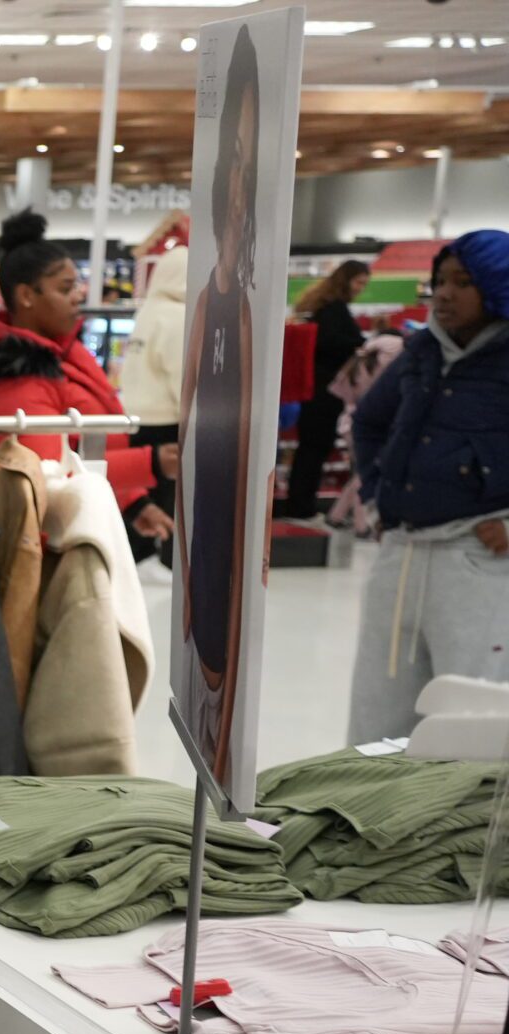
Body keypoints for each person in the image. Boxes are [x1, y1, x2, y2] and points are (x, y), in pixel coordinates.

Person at [344, 229, 509, 744]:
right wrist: (376, 491)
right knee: (376, 718)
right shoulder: (422, 350)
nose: (444, 293)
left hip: (477, 562)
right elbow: (369, 422)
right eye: (440, 280)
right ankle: (367, 820)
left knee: (466, 725)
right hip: (399, 554)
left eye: (463, 282)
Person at [0, 211, 176, 547]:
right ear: (27, 296)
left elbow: (82, 446)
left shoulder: (62, 353)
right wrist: (150, 463)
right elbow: (46, 474)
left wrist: (134, 502)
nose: (78, 297)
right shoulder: (16, 380)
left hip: (65, 529)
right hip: (37, 543)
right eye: (66, 288)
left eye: (77, 286)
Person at [178, 25, 264, 786]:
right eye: (229, 162)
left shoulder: (246, 320)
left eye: (251, 161)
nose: (238, 181)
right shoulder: (209, 306)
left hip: (225, 588)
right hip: (198, 586)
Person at [283, 259, 372, 519]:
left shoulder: (323, 306)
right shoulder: (335, 309)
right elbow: (333, 342)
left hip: (314, 388)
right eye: (359, 282)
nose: (361, 288)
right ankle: (301, 509)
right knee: (314, 449)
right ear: (346, 280)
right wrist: (359, 343)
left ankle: (299, 506)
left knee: (309, 449)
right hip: (325, 390)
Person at [119, 248, 187, 560]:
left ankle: (139, 557)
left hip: (133, 417)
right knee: (166, 502)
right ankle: (164, 561)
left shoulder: (148, 310)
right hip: (166, 420)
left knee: (139, 495)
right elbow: (180, 375)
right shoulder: (178, 316)